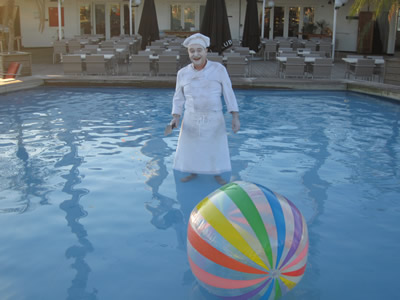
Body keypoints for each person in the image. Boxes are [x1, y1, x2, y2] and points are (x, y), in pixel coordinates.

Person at [170, 33, 240, 184]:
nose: (196, 54)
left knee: (215, 147)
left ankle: (217, 174)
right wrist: (176, 117)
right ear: (188, 53)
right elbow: (178, 97)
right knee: (192, 148)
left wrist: (235, 116)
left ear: (206, 51)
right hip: (191, 117)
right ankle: (193, 172)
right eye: (192, 51)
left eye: (199, 50)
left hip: (214, 117)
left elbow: (228, 92)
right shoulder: (182, 73)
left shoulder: (219, 69)